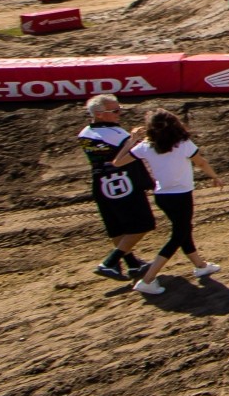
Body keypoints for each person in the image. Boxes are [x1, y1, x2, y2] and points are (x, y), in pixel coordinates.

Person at [111, 109, 221, 296]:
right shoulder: (183, 144)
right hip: (182, 196)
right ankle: (148, 279)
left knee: (183, 230)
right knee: (178, 235)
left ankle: (201, 266)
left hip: (162, 196)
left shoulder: (146, 146)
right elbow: (201, 162)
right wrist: (214, 176)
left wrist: (131, 141)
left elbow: (117, 163)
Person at [79, 94, 154, 281]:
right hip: (124, 182)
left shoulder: (84, 134)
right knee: (143, 223)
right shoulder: (117, 134)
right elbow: (127, 157)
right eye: (114, 111)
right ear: (99, 114)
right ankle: (110, 262)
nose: (119, 114)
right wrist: (133, 139)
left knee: (117, 226)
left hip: (101, 183)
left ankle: (132, 264)